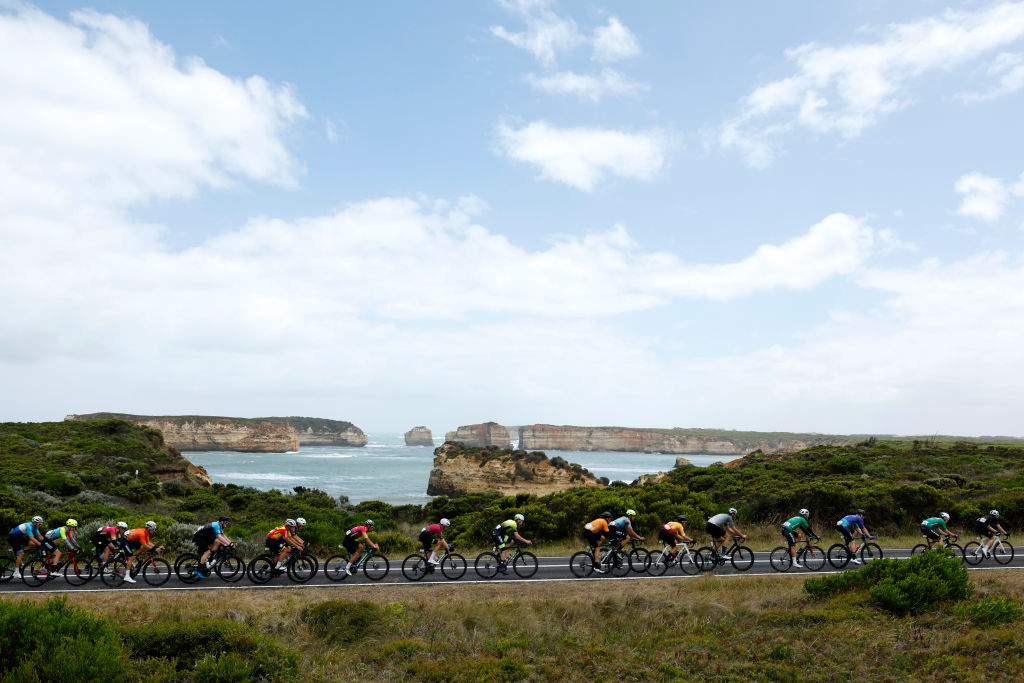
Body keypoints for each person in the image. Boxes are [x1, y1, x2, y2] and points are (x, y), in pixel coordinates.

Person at [7, 516, 46, 580]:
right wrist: (40, 544)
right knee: (21, 554)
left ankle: (22, 553)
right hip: (12, 538)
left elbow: (39, 536)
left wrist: (46, 542)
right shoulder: (29, 526)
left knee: (32, 544)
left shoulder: (35, 527)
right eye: (40, 524)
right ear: (35, 523)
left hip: (18, 537)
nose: (40, 525)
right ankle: (16, 572)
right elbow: (31, 538)